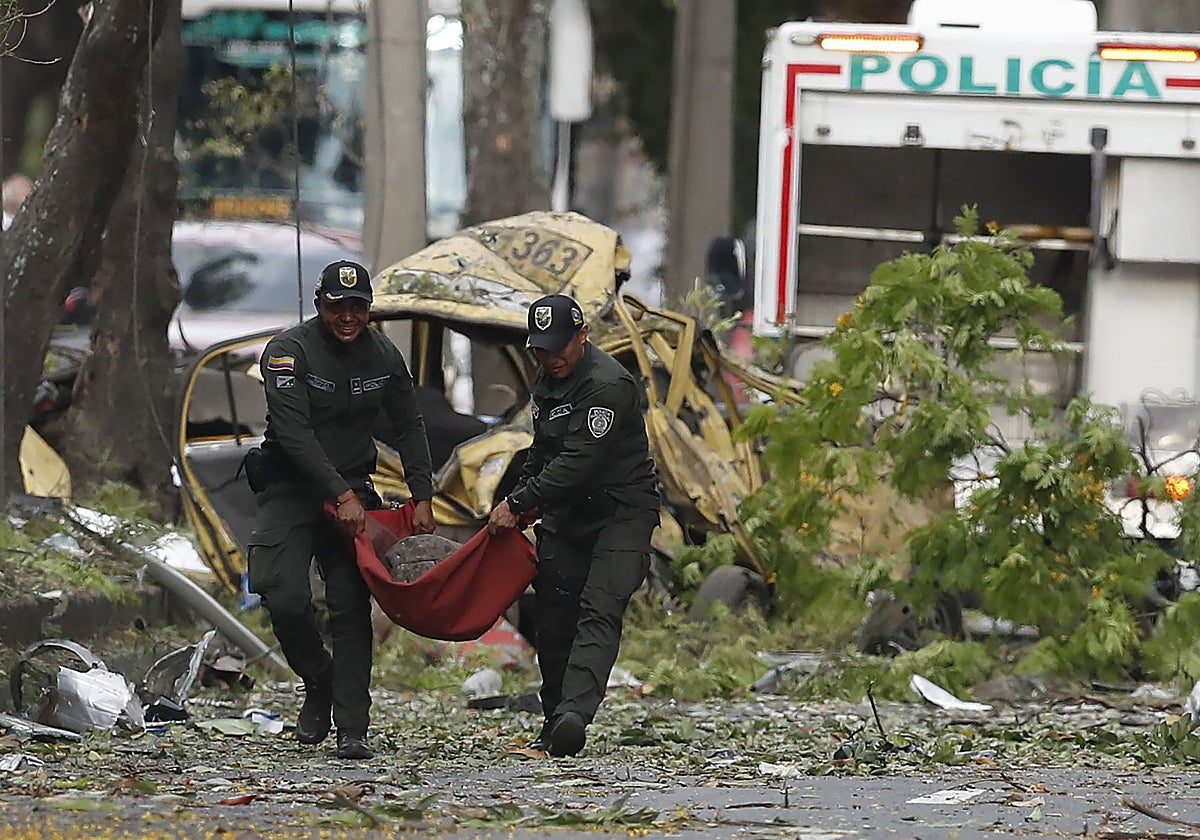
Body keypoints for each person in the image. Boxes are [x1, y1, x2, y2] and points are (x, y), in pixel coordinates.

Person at [247, 259, 435, 760]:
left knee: (352, 606)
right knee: (281, 594)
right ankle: (319, 680)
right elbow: (293, 433)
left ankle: (353, 726)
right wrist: (338, 494)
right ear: (319, 305)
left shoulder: (384, 356)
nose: (347, 317)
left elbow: (410, 426)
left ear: (369, 309)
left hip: (354, 489)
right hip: (293, 487)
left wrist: (423, 496)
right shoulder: (288, 353)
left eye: (358, 306)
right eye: (337, 306)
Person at [488, 293, 660, 757]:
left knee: (599, 607)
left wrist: (520, 501)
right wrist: (519, 503)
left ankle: (573, 718)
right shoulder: (547, 378)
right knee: (555, 617)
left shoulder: (608, 385)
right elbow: (542, 451)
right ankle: (552, 724)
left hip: (621, 512)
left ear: (583, 337)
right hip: (567, 515)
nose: (551, 357)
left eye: (560, 346)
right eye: (541, 349)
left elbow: (578, 462)